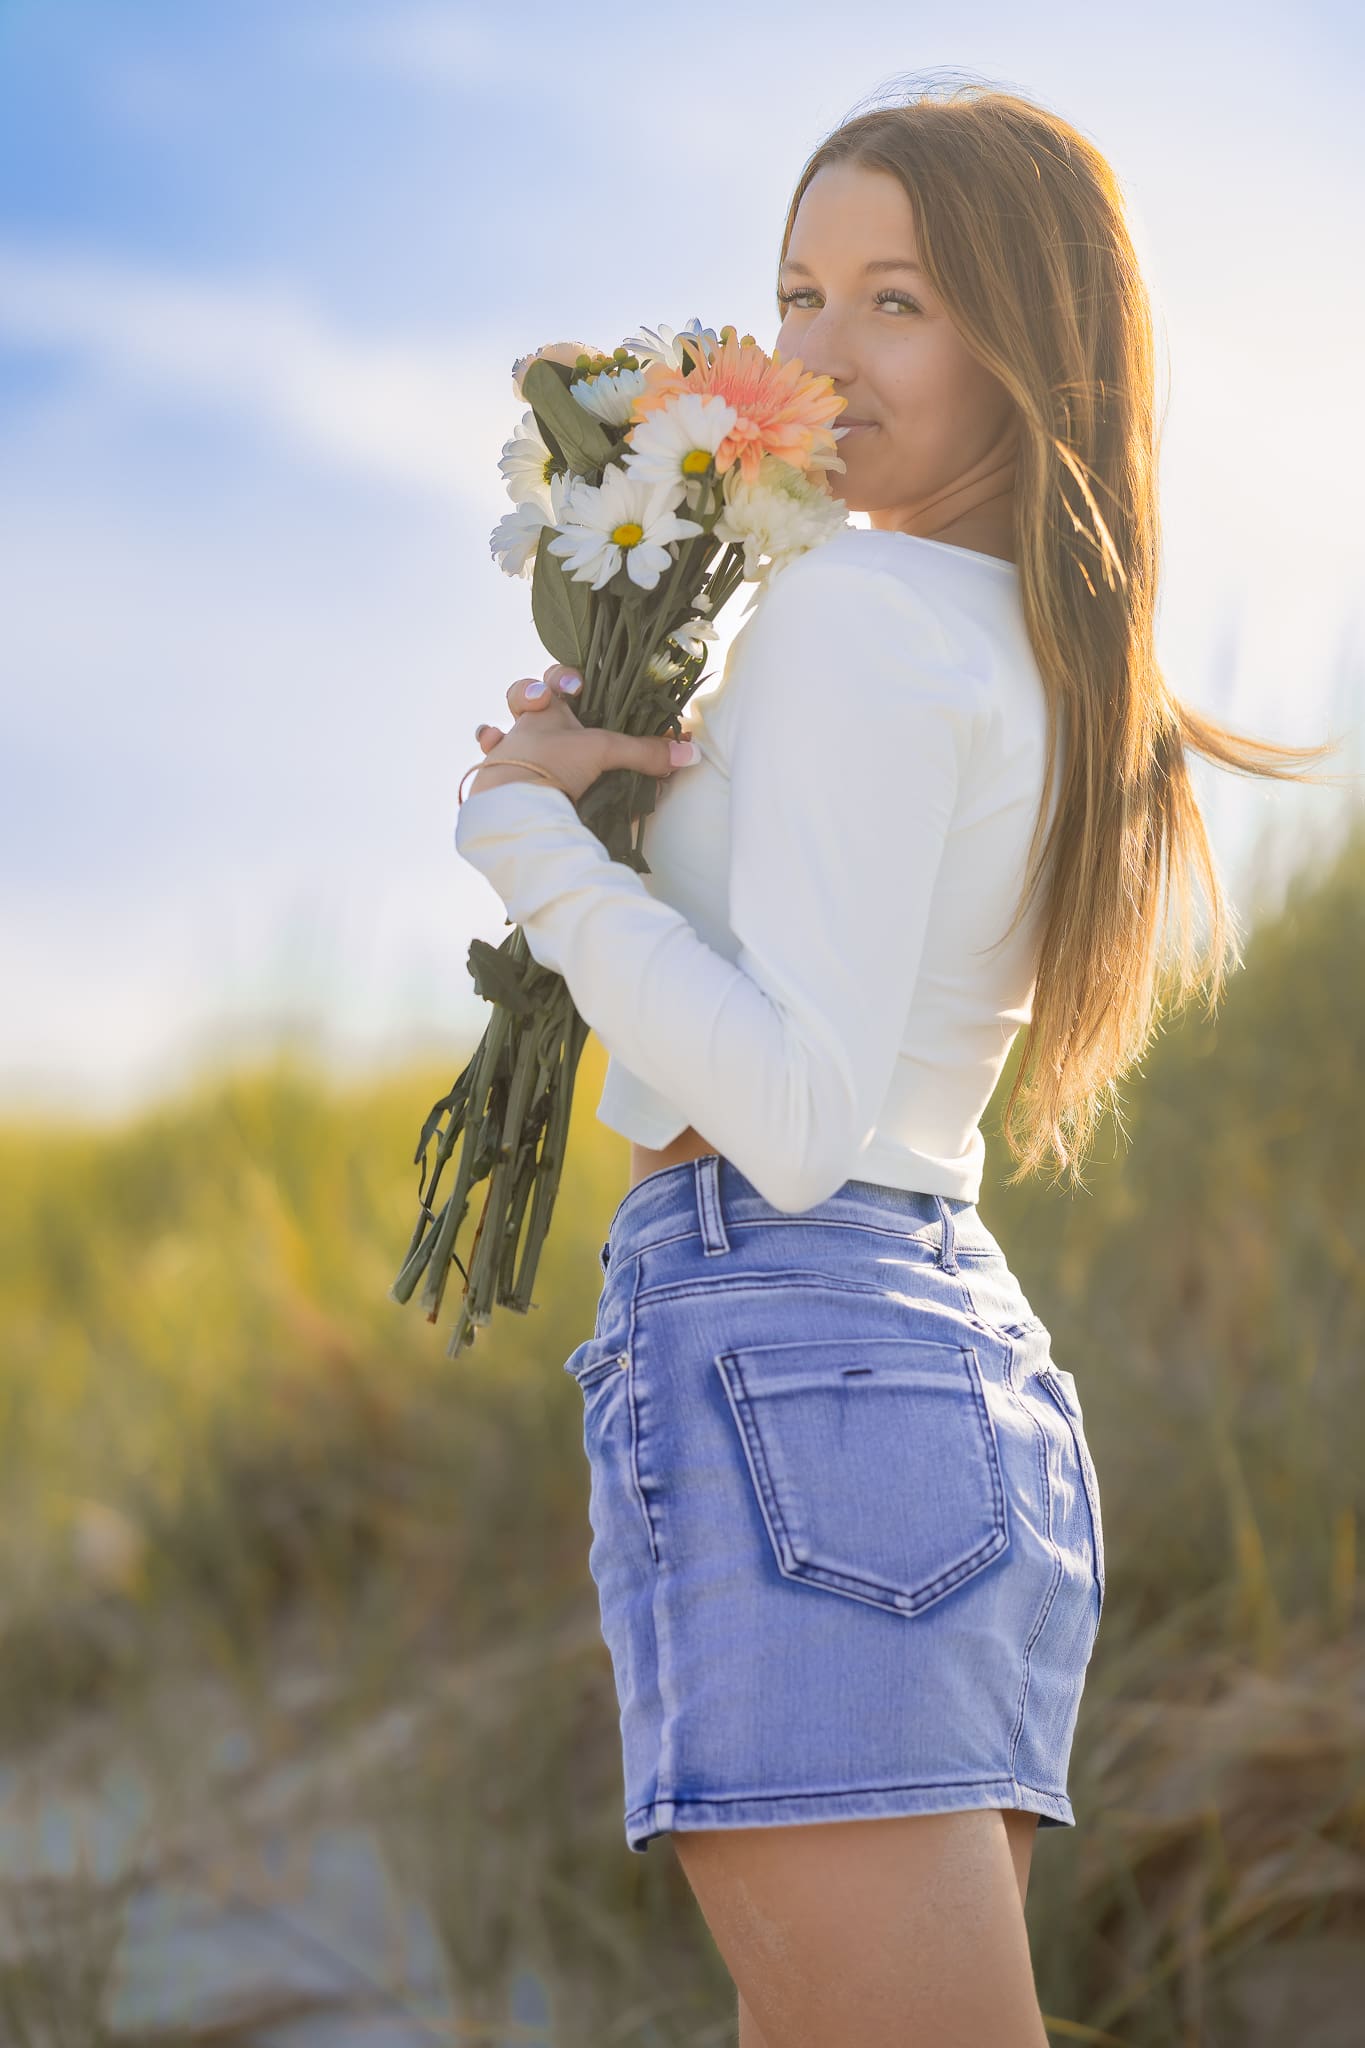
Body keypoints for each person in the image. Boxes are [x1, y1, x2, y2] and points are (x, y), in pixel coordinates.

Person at [454, 82, 1344, 2048]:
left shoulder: (854, 611)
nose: (817, 358)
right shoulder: (1011, 630)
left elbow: (780, 1115)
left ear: (1028, 345)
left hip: (799, 1336)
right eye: (797, 291)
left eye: (896, 303)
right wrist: (619, 803)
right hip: (919, 1359)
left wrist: (528, 852)